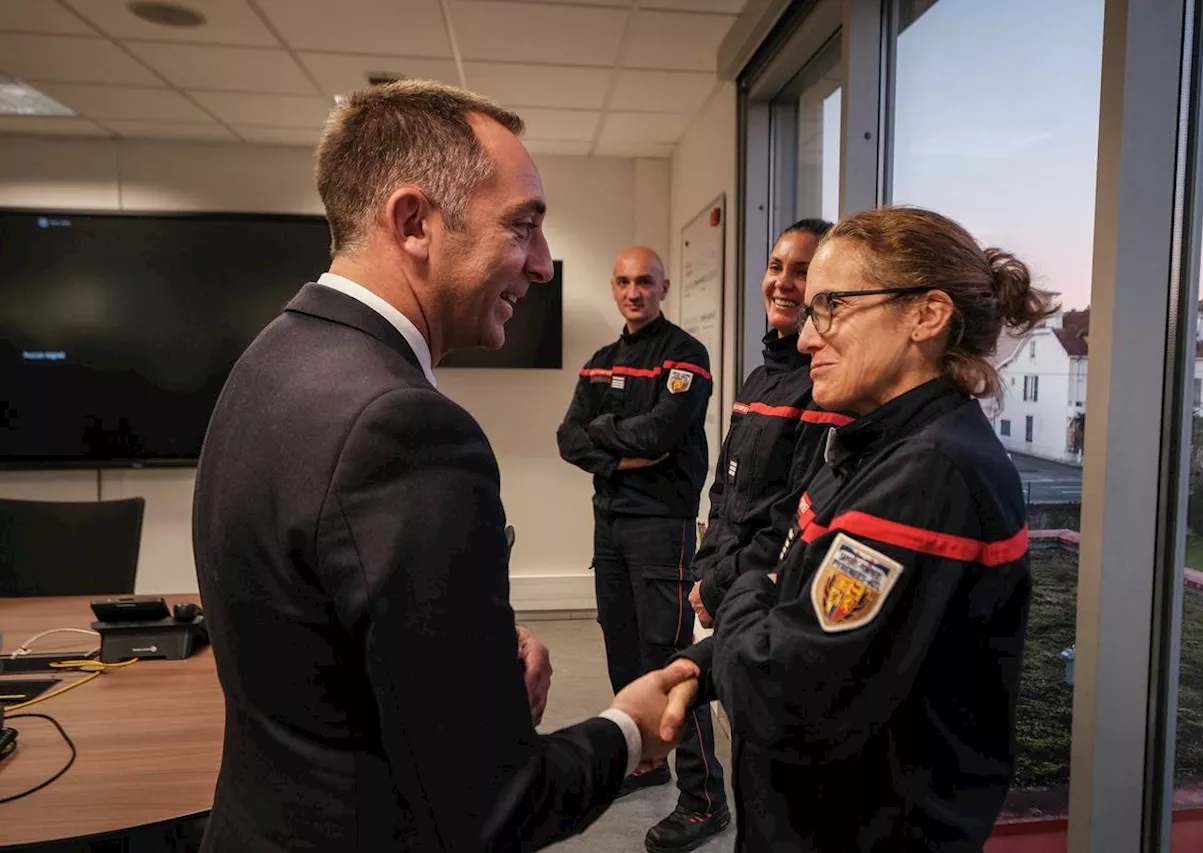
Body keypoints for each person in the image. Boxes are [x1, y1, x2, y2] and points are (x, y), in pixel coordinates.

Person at [192, 80, 696, 853]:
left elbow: (331, 628)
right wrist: (627, 729)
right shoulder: (405, 427)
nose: (542, 266)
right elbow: (496, 806)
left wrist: (463, 641)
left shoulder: (270, 360)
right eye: (522, 226)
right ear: (414, 222)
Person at [659, 206, 1055, 852]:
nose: (809, 338)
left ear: (926, 315)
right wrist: (699, 667)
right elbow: (797, 609)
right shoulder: (874, 443)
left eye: (832, 307)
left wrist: (742, 592)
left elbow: (778, 692)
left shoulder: (929, 474)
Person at [556, 247, 729, 852]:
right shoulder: (601, 363)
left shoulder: (685, 355)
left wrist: (604, 441)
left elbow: (660, 434)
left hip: (663, 527)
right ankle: (647, 761)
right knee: (623, 649)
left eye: (646, 282)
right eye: (625, 282)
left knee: (673, 660)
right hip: (610, 526)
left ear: (664, 287)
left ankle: (705, 798)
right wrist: (620, 447)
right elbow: (566, 439)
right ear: (614, 288)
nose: (635, 292)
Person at [687, 218, 851, 629]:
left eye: (802, 271)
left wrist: (717, 585)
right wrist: (707, 569)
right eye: (776, 267)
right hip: (727, 585)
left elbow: (792, 519)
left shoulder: (824, 387)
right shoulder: (759, 379)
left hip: (768, 599)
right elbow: (725, 493)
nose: (783, 283)